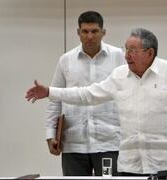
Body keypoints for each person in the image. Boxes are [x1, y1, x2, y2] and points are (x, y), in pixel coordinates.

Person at [26, 28, 167, 176]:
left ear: (150, 53)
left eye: (132, 51)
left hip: (166, 166)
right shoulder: (119, 75)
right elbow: (88, 95)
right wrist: (50, 91)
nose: (126, 56)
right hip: (130, 166)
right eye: (126, 49)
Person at [46, 11, 125, 176]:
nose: (90, 36)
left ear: (103, 32)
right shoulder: (66, 60)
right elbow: (55, 99)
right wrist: (50, 133)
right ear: (78, 33)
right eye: (85, 31)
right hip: (74, 142)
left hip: (109, 141)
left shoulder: (119, 57)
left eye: (95, 31)